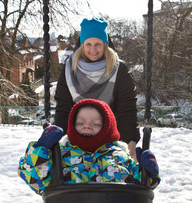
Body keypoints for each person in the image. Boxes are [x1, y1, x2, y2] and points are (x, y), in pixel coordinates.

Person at [18, 99, 161, 203]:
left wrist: (150, 173)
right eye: (80, 123)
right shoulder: (58, 155)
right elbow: (35, 178)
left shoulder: (121, 156)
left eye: (96, 124)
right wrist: (41, 148)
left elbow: (141, 186)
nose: (87, 126)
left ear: (108, 128)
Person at [54, 17, 140, 160]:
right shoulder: (70, 69)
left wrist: (130, 140)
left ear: (105, 45)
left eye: (98, 44)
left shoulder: (119, 69)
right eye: (88, 44)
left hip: (109, 138)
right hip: (77, 137)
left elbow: (127, 109)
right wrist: (59, 140)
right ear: (82, 44)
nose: (93, 49)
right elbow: (64, 108)